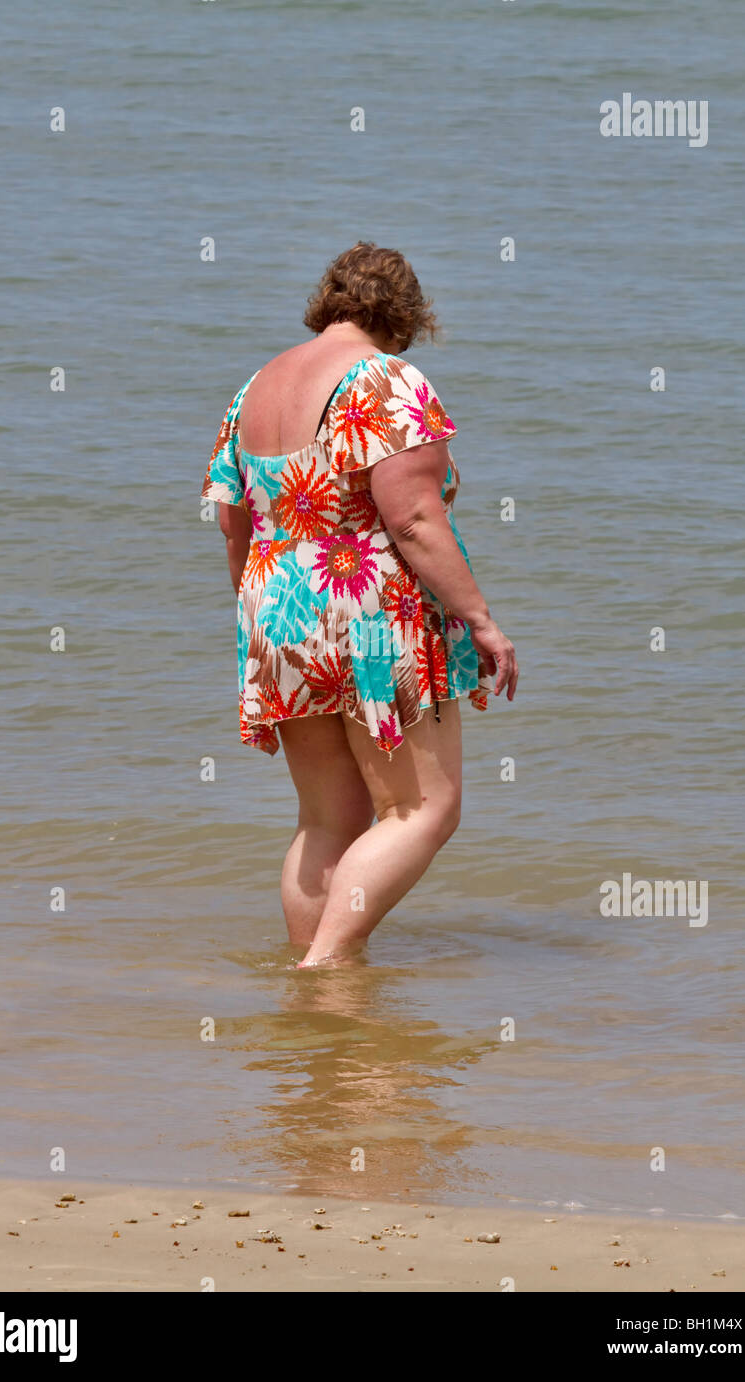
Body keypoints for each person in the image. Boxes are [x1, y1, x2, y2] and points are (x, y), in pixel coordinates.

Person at [202, 242, 518, 967]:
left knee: (326, 820)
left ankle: (316, 982)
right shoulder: (385, 380)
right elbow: (412, 519)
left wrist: (269, 620)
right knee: (423, 809)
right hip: (369, 610)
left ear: (329, 301)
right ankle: (328, 964)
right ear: (405, 316)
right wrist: (481, 621)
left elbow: (233, 524)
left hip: (274, 607)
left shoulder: (254, 388)